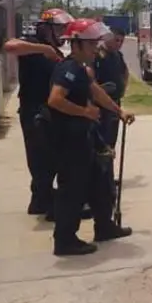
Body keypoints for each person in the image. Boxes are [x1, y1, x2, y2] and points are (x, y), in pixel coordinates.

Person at [47, 19, 135, 256]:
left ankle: (104, 226)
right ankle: (65, 240)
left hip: (85, 137)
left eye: (96, 43)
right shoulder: (67, 69)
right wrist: (84, 112)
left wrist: (118, 111)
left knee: (100, 183)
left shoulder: (81, 70)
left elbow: (97, 93)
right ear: (75, 44)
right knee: (72, 190)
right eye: (90, 44)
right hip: (69, 141)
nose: (95, 49)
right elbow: (55, 99)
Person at [3, 9, 71, 218]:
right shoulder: (33, 44)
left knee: (48, 159)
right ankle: (48, 204)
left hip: (49, 111)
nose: (61, 33)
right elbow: (9, 46)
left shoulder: (56, 52)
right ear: (46, 28)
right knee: (42, 159)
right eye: (58, 29)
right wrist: (43, 48)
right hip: (34, 110)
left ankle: (40, 201)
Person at [93, 27, 129, 200]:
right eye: (116, 40)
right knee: (102, 143)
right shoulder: (98, 56)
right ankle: (101, 180)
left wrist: (123, 89)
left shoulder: (117, 56)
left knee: (111, 143)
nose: (119, 44)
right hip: (101, 106)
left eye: (121, 41)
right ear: (107, 38)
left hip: (114, 104)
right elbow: (91, 82)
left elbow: (125, 72)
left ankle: (108, 177)